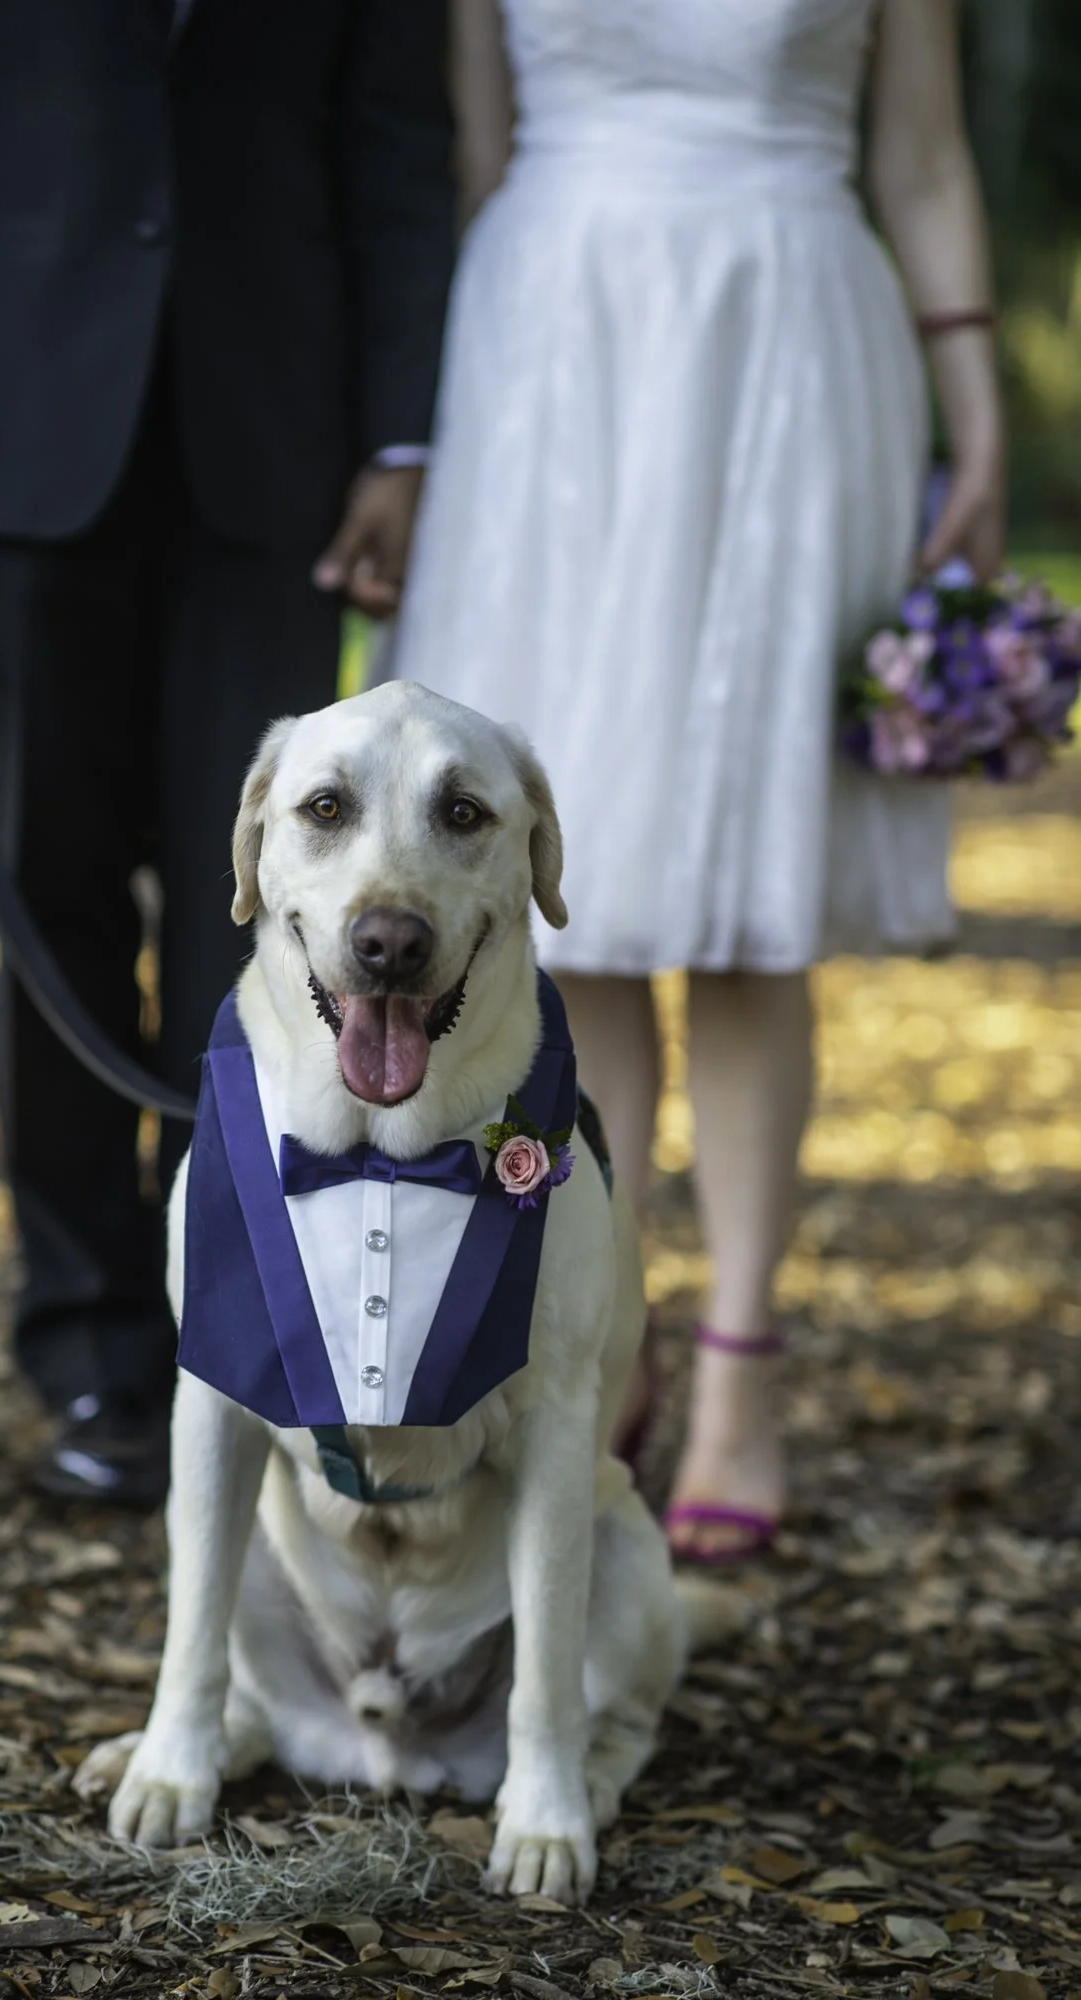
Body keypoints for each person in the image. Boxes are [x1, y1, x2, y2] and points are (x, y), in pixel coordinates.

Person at [0, 0, 455, 1506]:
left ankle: (232, 1326)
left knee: (277, 922)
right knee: (53, 901)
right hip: (11, 430)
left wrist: (399, 442)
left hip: (276, 437)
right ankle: (88, 1342)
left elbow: (397, 142)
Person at [390, 0, 1005, 1559]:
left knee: (743, 894)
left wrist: (976, 415)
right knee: (576, 903)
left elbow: (921, 159)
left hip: (786, 340)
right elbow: (471, 151)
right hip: (551, 355)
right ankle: (609, 1329)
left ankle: (740, 1365)